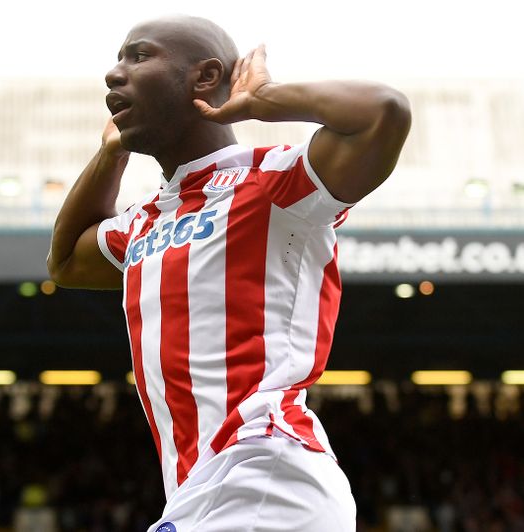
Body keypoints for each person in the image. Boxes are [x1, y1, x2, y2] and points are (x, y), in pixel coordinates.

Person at [48, 15, 410, 532]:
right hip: (206, 489)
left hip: (263, 471)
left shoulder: (274, 182)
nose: (114, 72)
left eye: (140, 56)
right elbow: (64, 261)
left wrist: (266, 99)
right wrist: (111, 154)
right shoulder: (145, 220)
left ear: (205, 76)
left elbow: (384, 113)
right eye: (118, 58)